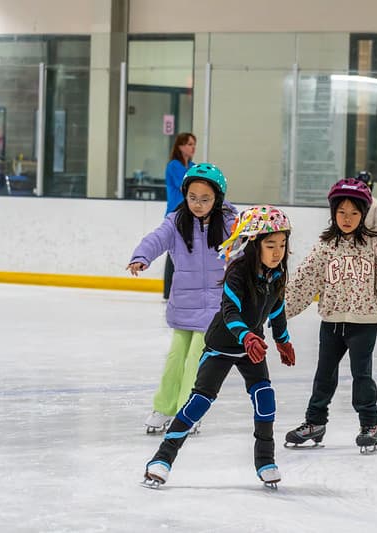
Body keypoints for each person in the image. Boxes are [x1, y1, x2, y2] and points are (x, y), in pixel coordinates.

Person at [142, 205, 296, 489]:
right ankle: (161, 460)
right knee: (199, 401)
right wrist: (248, 337)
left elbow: (276, 308)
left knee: (265, 398)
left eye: (283, 245)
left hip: (252, 347)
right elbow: (231, 313)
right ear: (253, 245)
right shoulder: (237, 273)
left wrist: (282, 339)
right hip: (222, 344)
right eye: (270, 245)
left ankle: (265, 461)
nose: (278, 252)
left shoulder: (277, 274)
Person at [284, 178, 377, 452]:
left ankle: (370, 424)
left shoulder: (375, 247)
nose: (347, 219)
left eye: (354, 213)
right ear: (333, 213)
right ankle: (315, 422)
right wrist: (280, 311)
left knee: (362, 375)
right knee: (324, 375)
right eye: (342, 212)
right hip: (332, 322)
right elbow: (304, 280)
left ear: (364, 214)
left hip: (363, 323)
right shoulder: (325, 247)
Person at [128, 163, 236, 435]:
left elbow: (247, 243)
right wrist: (141, 257)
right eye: (192, 198)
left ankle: (188, 410)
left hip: (214, 305)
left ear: (217, 199)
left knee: (195, 358)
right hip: (184, 304)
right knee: (176, 357)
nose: (197, 205)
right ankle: (164, 407)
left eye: (205, 199)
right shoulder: (177, 222)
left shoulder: (227, 222)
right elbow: (155, 239)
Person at [163, 132, 197, 300]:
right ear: (180, 146)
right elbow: (185, 185)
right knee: (174, 252)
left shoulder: (192, 166)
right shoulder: (174, 166)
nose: (193, 147)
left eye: (194, 144)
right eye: (189, 144)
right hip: (176, 214)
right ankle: (169, 289)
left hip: (190, 215)